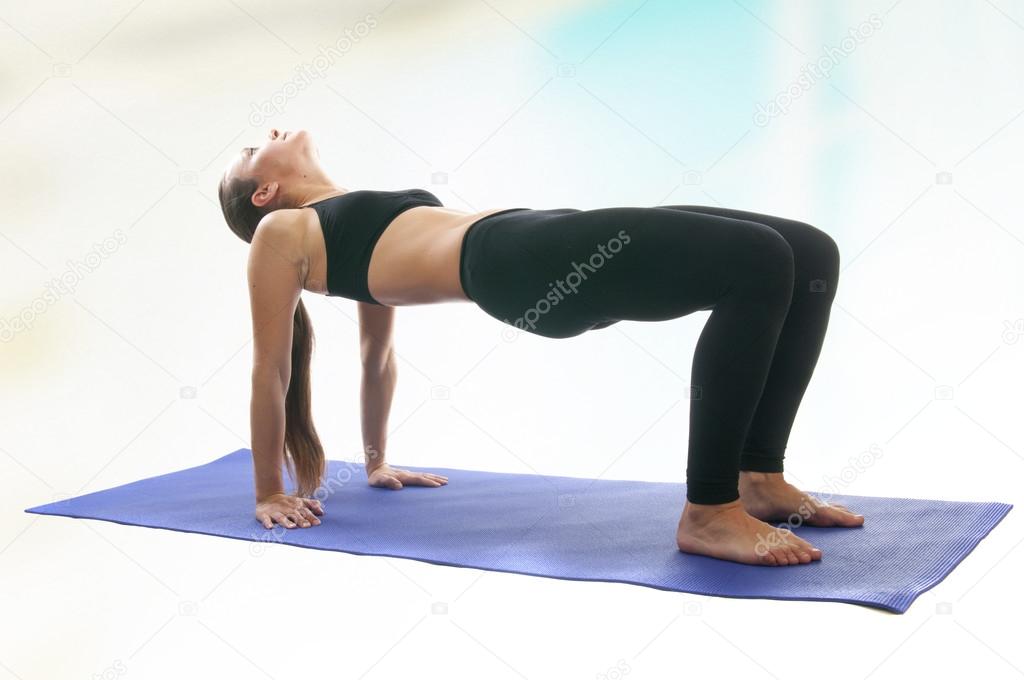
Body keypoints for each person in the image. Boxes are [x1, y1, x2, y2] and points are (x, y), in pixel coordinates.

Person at [218, 128, 864, 568]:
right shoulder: (280, 231)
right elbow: (271, 370)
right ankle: (709, 510)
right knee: (755, 259)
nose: (269, 134)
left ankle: (760, 478)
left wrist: (376, 462)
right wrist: (269, 491)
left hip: (535, 243)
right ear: (264, 193)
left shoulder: (339, 220)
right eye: (252, 148)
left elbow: (375, 357)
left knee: (807, 252)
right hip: (520, 262)